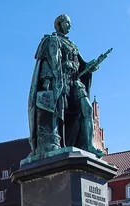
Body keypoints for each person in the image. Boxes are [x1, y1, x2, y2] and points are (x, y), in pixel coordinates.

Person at [27, 14, 105, 159]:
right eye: (67, 23)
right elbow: (46, 62)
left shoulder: (72, 45)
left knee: (87, 109)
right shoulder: (52, 40)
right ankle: (55, 143)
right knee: (57, 113)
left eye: (70, 23)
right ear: (59, 24)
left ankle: (88, 145)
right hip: (60, 82)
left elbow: (81, 65)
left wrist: (91, 65)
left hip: (75, 82)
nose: (70, 26)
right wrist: (47, 79)